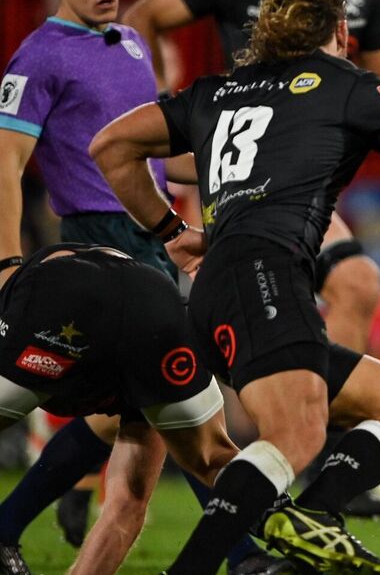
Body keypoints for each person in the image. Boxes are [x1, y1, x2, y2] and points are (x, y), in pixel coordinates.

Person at [91, 0, 380, 574]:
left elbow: (110, 146)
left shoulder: (216, 92)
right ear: (341, 31)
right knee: (296, 434)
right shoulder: (350, 86)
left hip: (218, 289)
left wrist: (170, 230)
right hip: (267, 277)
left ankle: (315, 523)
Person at [0, 0, 284, 575]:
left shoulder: (130, 43)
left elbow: (152, 161)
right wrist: (7, 261)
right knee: (176, 407)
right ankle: (246, 556)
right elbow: (6, 162)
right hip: (95, 248)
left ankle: (13, 522)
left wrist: (241, 170)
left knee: (150, 417)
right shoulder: (38, 56)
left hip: (148, 241)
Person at [123, 0, 380, 357]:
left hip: (301, 170)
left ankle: (321, 402)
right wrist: (163, 102)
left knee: (355, 284)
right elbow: (142, 18)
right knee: (235, 318)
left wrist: (338, 116)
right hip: (241, 172)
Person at [0, 244, 240, 575]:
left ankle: (253, 551)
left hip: (72, 295)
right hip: (154, 298)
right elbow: (128, 503)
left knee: (194, 462)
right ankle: (276, 534)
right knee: (212, 460)